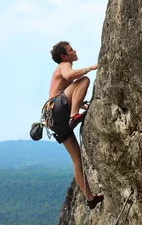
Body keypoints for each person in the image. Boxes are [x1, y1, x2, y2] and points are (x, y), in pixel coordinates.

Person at [46, 41, 103, 209]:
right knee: (84, 80)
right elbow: (70, 77)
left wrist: (82, 104)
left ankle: (90, 197)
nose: (75, 50)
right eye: (71, 50)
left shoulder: (63, 66)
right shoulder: (65, 65)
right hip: (57, 110)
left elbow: (66, 91)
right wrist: (92, 68)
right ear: (64, 56)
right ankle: (74, 115)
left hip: (54, 119)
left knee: (77, 160)